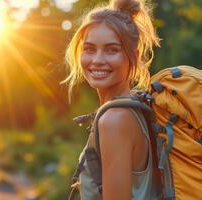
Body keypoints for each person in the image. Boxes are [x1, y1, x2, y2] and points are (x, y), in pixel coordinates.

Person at [62, 0, 161, 199]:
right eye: (89, 49)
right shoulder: (138, 105)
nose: (97, 59)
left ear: (134, 55)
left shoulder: (114, 120)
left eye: (111, 50)